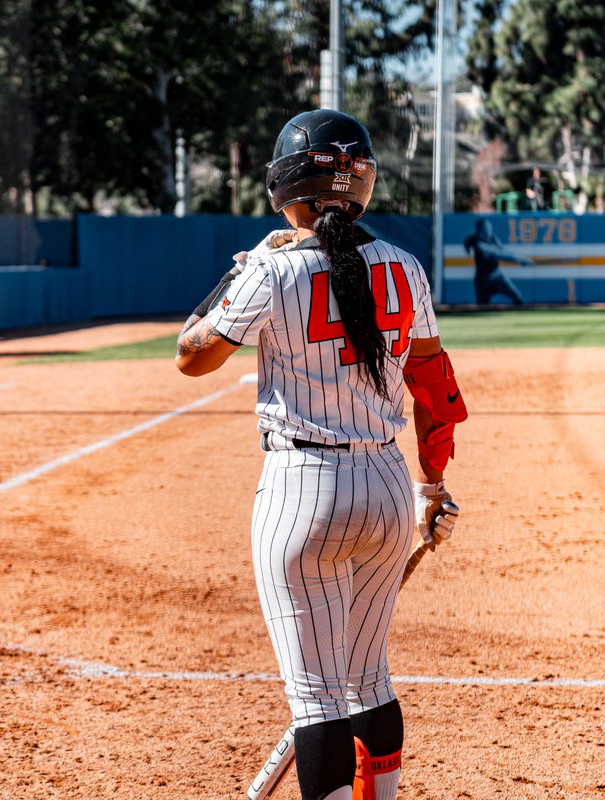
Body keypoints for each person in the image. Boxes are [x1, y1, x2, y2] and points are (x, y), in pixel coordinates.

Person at [175, 109, 466, 800]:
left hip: (302, 488)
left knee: (317, 700)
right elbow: (435, 387)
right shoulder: (405, 267)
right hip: (388, 487)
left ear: (285, 184)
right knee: (369, 679)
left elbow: (190, 357)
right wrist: (433, 483)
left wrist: (241, 269)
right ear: (362, 182)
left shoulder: (273, 269)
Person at [463, 217, 529, 306]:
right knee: (482, 307)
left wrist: (522, 259)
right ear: (479, 230)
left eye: (489, 228)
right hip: (483, 280)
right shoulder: (479, 243)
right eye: (485, 229)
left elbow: (504, 251)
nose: (488, 231)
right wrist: (521, 259)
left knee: (517, 297)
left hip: (497, 276)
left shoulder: (493, 239)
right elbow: (498, 254)